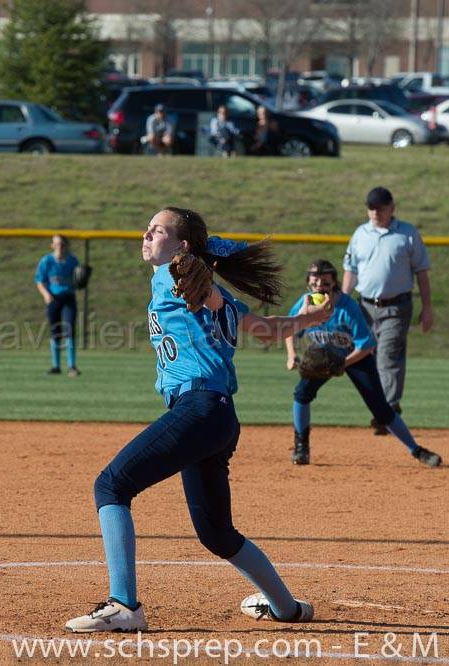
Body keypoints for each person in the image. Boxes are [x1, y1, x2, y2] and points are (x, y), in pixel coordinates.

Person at [65, 206, 332, 633]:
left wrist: (204, 283)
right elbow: (266, 328)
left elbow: (209, 295)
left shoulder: (186, 278)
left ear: (182, 247)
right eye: (148, 228)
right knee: (216, 533)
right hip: (217, 417)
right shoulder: (182, 278)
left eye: (158, 230)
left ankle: (125, 605)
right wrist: (310, 319)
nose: (147, 234)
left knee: (111, 485)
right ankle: (288, 608)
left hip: (201, 407)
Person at [285, 260, 442, 468]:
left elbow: (366, 346)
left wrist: (342, 364)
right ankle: (301, 448)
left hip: (356, 357)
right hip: (325, 357)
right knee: (301, 394)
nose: (319, 287)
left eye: (325, 282)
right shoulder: (306, 303)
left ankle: (417, 450)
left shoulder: (347, 307)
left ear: (334, 283)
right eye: (315, 282)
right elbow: (290, 327)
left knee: (381, 409)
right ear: (308, 283)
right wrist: (291, 354)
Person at [342, 187, 433, 435]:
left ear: (392, 208)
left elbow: (422, 272)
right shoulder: (360, 234)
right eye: (371, 207)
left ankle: (387, 410)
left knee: (388, 357)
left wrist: (427, 307)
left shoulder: (407, 234)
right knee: (366, 357)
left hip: (397, 306)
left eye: (380, 208)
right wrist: (341, 301)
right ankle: (385, 409)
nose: (375, 212)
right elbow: (350, 270)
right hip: (365, 306)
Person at [34, 234, 81, 377]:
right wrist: (46, 295)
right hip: (53, 299)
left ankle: (72, 366)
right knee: (55, 331)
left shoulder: (72, 261)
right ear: (52, 245)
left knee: (69, 330)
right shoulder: (47, 261)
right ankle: (55, 366)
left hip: (68, 298)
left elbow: (77, 281)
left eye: (62, 244)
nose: (59, 246)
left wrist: (80, 281)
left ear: (66, 246)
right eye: (56, 244)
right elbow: (39, 281)